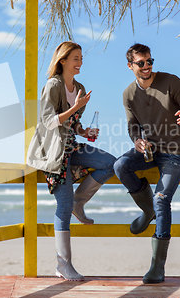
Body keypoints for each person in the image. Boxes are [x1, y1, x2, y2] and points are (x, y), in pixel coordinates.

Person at [114, 43, 180, 284]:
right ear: (130, 65)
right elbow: (133, 126)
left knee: (162, 198)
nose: (147, 66)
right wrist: (138, 141)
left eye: (150, 61)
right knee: (120, 165)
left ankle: (157, 267)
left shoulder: (170, 82)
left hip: (176, 152)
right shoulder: (128, 94)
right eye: (141, 63)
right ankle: (147, 209)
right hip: (150, 151)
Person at [27, 41, 116, 281]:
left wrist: (84, 131)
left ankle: (80, 201)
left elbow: (70, 124)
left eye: (81, 58)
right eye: (75, 58)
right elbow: (47, 121)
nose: (80, 62)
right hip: (52, 151)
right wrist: (75, 107)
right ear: (62, 60)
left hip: (71, 145)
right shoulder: (53, 85)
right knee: (62, 207)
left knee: (110, 163)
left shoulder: (79, 87)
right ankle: (63, 265)